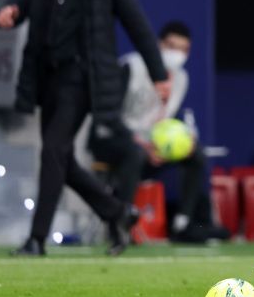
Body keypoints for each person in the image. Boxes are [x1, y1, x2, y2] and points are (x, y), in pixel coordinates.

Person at [0, 0, 170, 256]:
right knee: (61, 159)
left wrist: (158, 72)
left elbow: (136, 23)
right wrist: (7, 13)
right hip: (46, 77)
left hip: (83, 79)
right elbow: (19, 2)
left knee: (54, 151)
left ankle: (36, 239)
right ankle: (119, 212)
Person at [89, 21, 227, 243]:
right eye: (172, 46)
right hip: (112, 139)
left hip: (150, 143)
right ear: (158, 44)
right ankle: (121, 224)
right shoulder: (131, 67)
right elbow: (108, 116)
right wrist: (142, 143)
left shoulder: (181, 78)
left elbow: (164, 121)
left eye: (183, 49)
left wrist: (180, 138)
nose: (177, 54)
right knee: (135, 154)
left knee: (196, 153)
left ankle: (183, 224)